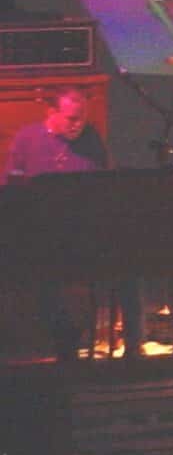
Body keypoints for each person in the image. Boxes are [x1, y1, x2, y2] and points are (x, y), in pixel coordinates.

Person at [4, 87, 145, 362]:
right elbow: (11, 187)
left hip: (88, 235)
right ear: (52, 113)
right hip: (44, 236)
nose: (77, 124)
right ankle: (65, 343)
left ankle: (134, 345)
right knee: (40, 274)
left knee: (131, 266)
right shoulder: (28, 138)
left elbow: (109, 186)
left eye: (82, 118)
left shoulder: (91, 139)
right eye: (71, 118)